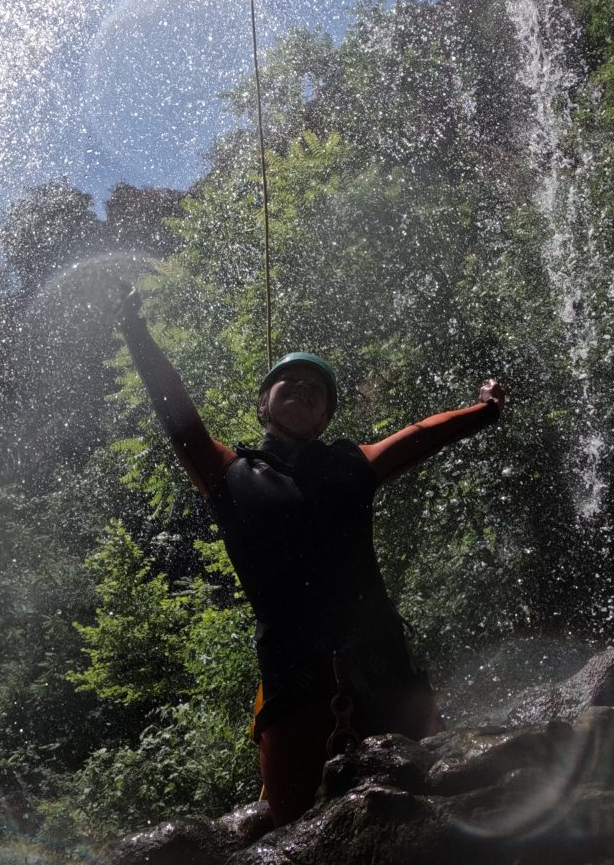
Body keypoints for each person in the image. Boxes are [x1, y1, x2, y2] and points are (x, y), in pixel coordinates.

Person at [115, 288, 505, 827]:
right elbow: (180, 420)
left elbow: (418, 437)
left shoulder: (352, 465)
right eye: (287, 382)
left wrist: (484, 411)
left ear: (324, 417)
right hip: (293, 684)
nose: (301, 388)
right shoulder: (229, 475)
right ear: (264, 404)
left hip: (386, 669)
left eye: (316, 388)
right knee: (297, 828)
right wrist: (136, 332)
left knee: (431, 810)